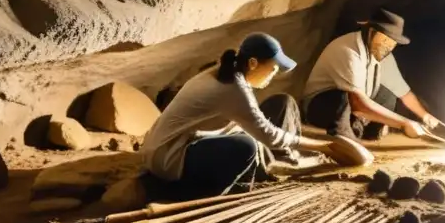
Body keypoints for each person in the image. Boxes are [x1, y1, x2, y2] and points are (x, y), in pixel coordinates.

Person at [141, 32, 357, 199]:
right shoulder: (233, 88)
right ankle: (192, 194)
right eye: (272, 69)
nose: (273, 75)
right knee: (246, 146)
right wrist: (323, 146)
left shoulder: (226, 72)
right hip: (169, 158)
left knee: (284, 102)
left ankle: (278, 160)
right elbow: (268, 134)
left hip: (185, 142)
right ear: (253, 63)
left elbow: (252, 123)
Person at [301, 8, 443, 141]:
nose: (388, 46)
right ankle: (345, 136)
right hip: (322, 107)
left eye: (393, 42)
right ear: (371, 32)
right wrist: (404, 123)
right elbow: (357, 103)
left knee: (388, 94)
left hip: (355, 106)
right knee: (343, 99)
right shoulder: (348, 50)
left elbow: (404, 94)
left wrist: (425, 116)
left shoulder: (383, 54)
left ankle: (366, 130)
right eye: (385, 39)